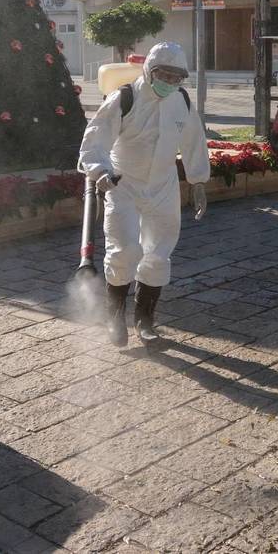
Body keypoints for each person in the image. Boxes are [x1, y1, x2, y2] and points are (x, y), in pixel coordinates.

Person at [78, 42, 211, 346]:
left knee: (159, 253)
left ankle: (145, 319)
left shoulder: (182, 102)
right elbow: (95, 141)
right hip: (123, 185)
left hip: (163, 187)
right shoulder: (125, 98)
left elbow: (194, 141)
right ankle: (114, 317)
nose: (169, 82)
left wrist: (199, 181)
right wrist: (99, 171)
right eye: (163, 74)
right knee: (124, 250)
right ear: (150, 71)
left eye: (176, 77)